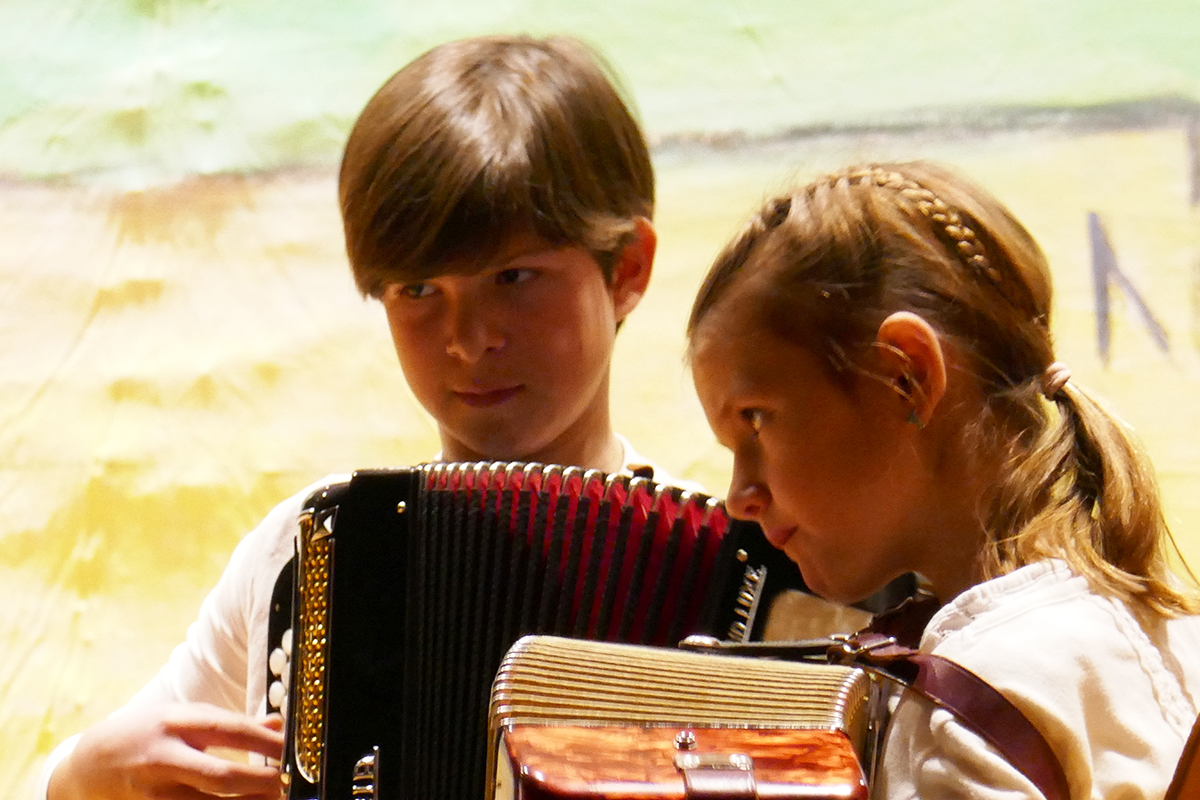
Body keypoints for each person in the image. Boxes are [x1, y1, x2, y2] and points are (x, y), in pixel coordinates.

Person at [41, 33, 688, 800]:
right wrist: (80, 776)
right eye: (418, 291)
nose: (468, 338)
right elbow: (107, 766)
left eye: (515, 277)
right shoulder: (304, 548)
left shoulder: (723, 580)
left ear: (628, 269)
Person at [686, 161, 1200, 798]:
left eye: (755, 420)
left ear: (906, 376)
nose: (739, 498)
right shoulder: (1176, 636)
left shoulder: (970, 712)